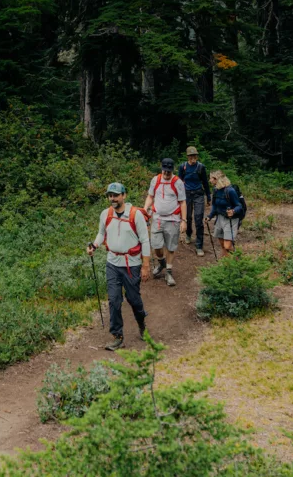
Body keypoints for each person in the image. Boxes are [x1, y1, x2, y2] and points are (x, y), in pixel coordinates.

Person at [88, 182, 151, 350]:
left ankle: (141, 323)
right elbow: (102, 233)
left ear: (124, 195)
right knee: (114, 300)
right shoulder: (105, 214)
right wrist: (94, 245)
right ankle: (118, 336)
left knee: (134, 299)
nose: (112, 198)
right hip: (113, 263)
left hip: (132, 264)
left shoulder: (135, 215)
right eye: (110, 195)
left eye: (116, 195)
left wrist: (145, 265)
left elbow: (145, 240)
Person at [142, 158, 186, 287]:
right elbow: (150, 196)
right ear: (162, 169)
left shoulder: (178, 183)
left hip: (173, 219)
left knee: (171, 247)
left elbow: (183, 202)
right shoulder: (155, 180)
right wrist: (145, 209)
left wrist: (184, 220)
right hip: (157, 218)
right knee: (156, 246)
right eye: (164, 171)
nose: (166, 173)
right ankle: (162, 262)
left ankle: (169, 272)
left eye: (169, 171)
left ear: (172, 170)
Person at [178, 146, 208, 255]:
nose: (193, 157)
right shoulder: (183, 167)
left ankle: (199, 245)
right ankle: (188, 234)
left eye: (194, 155)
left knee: (198, 218)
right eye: (191, 156)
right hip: (186, 194)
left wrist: (209, 197)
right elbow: (179, 182)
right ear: (188, 156)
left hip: (198, 194)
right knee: (188, 217)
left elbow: (205, 182)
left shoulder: (201, 167)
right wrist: (178, 197)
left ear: (196, 156)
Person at [207, 170, 245, 254]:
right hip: (220, 218)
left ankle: (238, 258)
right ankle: (226, 261)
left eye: (211, 178)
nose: (210, 180)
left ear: (216, 179)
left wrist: (233, 211)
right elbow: (215, 205)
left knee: (227, 246)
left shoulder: (230, 191)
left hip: (231, 219)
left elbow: (239, 206)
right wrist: (210, 216)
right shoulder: (216, 190)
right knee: (222, 244)